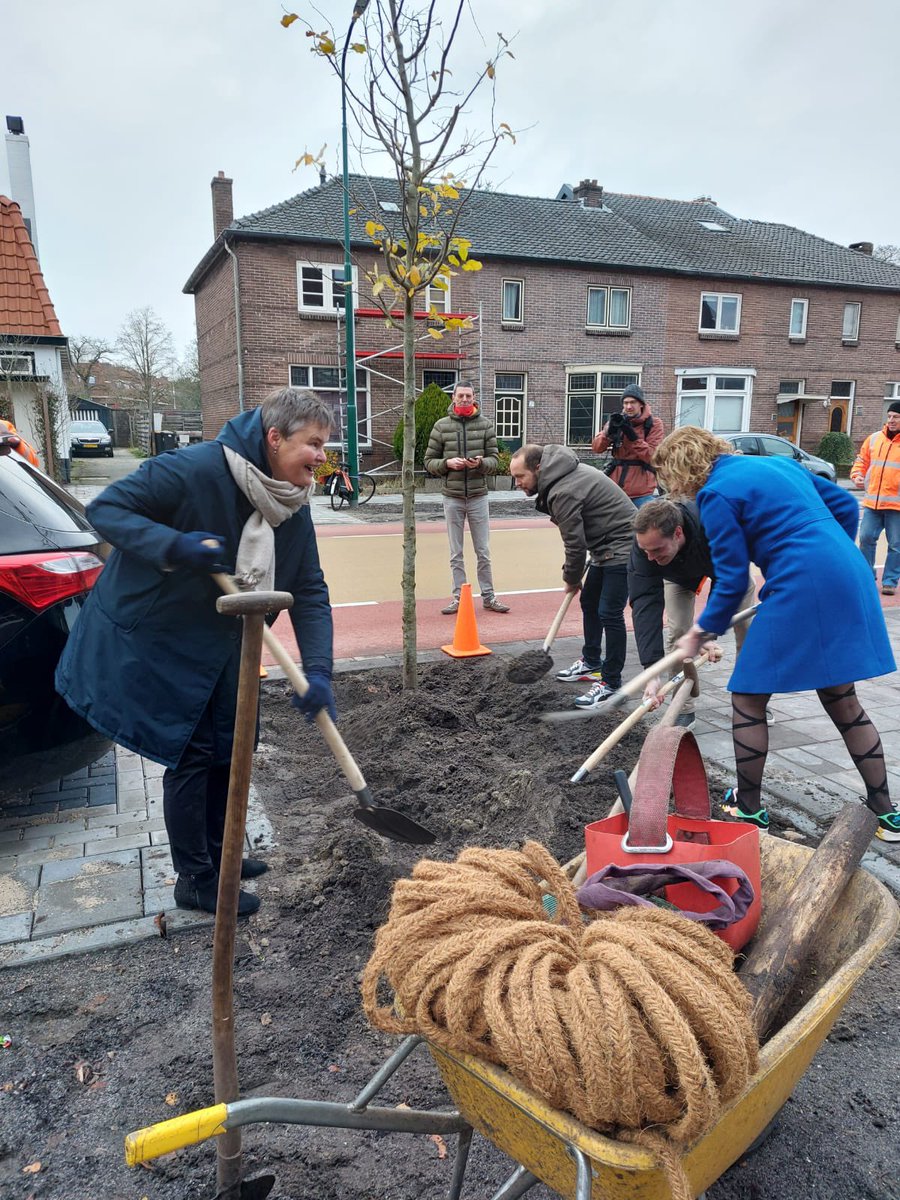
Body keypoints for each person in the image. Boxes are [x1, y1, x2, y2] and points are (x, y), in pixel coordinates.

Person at [56, 387, 338, 914]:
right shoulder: (196, 469)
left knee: (232, 747)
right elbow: (108, 509)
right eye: (314, 443)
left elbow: (311, 589)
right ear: (275, 438)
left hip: (228, 641)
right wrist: (175, 545)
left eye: (325, 445)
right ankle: (197, 879)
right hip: (162, 637)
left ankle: (222, 852)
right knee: (193, 752)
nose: (323, 456)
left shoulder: (290, 505)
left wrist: (319, 670)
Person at [653, 425, 900, 843]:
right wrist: (821, 551)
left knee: (748, 696)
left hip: (802, 582)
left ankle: (748, 808)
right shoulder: (777, 463)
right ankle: (887, 814)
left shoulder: (714, 494)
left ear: (682, 468)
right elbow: (843, 505)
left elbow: (730, 581)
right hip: (849, 570)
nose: (674, 490)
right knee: (841, 697)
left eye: (670, 480)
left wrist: (700, 631)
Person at [510, 444, 635, 708]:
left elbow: (574, 543)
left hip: (624, 546)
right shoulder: (562, 476)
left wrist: (571, 576)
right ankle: (591, 663)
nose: (517, 483)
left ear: (538, 468)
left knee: (609, 613)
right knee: (589, 603)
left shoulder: (563, 490)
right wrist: (575, 576)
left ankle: (611, 683)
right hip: (604, 547)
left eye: (520, 476)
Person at [629, 498, 756, 726]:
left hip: (729, 573)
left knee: (746, 629)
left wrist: (706, 633)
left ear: (678, 533)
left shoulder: (714, 525)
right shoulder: (646, 547)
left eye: (656, 549)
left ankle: (751, 698)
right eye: (645, 550)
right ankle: (682, 706)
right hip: (678, 574)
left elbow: (728, 582)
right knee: (679, 631)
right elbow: (645, 603)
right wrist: (651, 672)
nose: (650, 558)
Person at [425, 382, 509, 613]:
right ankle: (458, 598)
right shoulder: (441, 426)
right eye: (460, 395)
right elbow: (428, 461)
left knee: (483, 551)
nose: (464, 399)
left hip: (478, 496)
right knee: (456, 553)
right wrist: (446, 464)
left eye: (468, 396)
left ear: (474, 398)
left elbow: (496, 460)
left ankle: (489, 597)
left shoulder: (485, 425)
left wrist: (480, 463)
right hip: (452, 497)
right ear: (453, 398)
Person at [850, 401, 900, 596]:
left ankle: (890, 581)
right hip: (872, 503)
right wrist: (856, 475)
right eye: (889, 416)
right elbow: (861, 461)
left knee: (896, 545)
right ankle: (867, 577)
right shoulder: (874, 439)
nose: (891, 420)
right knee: (865, 538)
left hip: (897, 506)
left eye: (895, 417)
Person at [591, 383, 664, 508]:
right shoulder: (618, 421)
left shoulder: (653, 424)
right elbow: (597, 448)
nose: (629, 406)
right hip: (616, 489)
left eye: (633, 402)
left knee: (645, 525)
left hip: (642, 492)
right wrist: (608, 434)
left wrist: (633, 438)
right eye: (625, 403)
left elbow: (653, 457)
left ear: (641, 404)